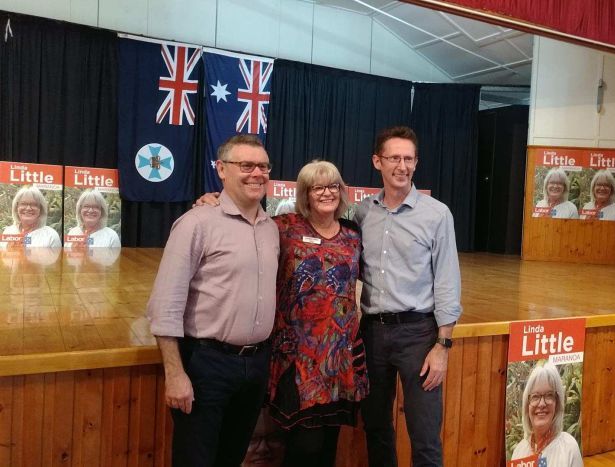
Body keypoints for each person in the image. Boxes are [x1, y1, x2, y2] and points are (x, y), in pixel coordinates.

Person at [197, 160, 369, 467]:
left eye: (333, 186)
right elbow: (242, 221)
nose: (326, 193)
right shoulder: (283, 227)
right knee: (305, 447)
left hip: (338, 356)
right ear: (305, 193)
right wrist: (212, 200)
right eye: (318, 187)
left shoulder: (354, 235)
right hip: (297, 358)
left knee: (329, 444)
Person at [147, 134, 280, 467]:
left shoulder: (271, 228)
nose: (257, 173)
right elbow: (165, 303)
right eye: (246, 165)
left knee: (231, 459)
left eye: (263, 166)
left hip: (256, 366)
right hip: (207, 365)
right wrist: (175, 373)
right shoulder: (197, 223)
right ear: (222, 169)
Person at [355, 126, 462, 467]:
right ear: (377, 162)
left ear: (416, 163)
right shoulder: (361, 214)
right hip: (371, 334)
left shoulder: (436, 214)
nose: (401, 166)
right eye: (394, 158)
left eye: (408, 159)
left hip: (418, 335)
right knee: (376, 428)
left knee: (425, 435)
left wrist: (443, 346)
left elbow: (447, 280)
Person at [511, 362, 583, 467]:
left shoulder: (569, 448)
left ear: (557, 404)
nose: (541, 404)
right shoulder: (519, 451)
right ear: (527, 405)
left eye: (549, 395)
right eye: (535, 396)